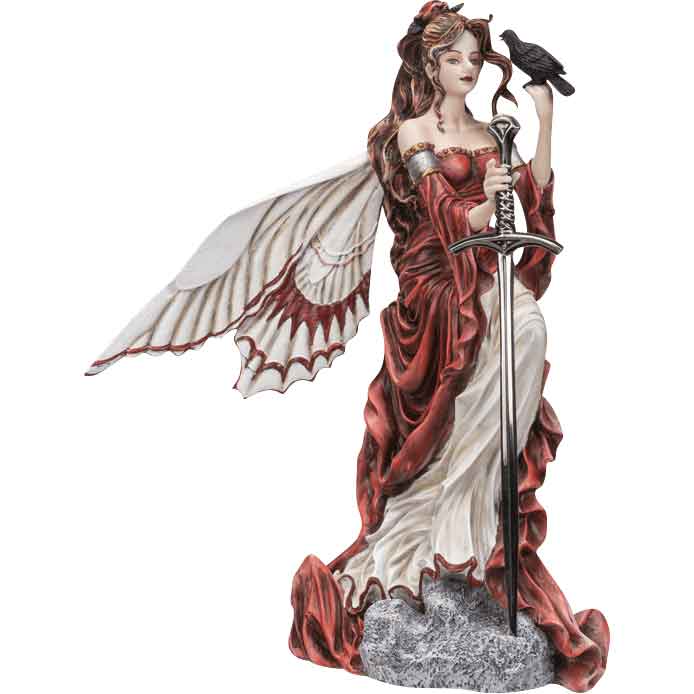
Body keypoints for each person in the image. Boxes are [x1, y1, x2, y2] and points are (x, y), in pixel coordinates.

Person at [86, 2, 609, 691]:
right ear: (430, 65)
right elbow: (444, 215)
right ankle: (432, 541)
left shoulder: (490, 133)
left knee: (529, 330)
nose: (468, 67)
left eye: (474, 57)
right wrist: (486, 200)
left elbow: (531, 205)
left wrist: (544, 122)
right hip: (437, 288)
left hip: (485, 273)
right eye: (454, 57)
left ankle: (479, 524)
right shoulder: (412, 135)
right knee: (491, 355)